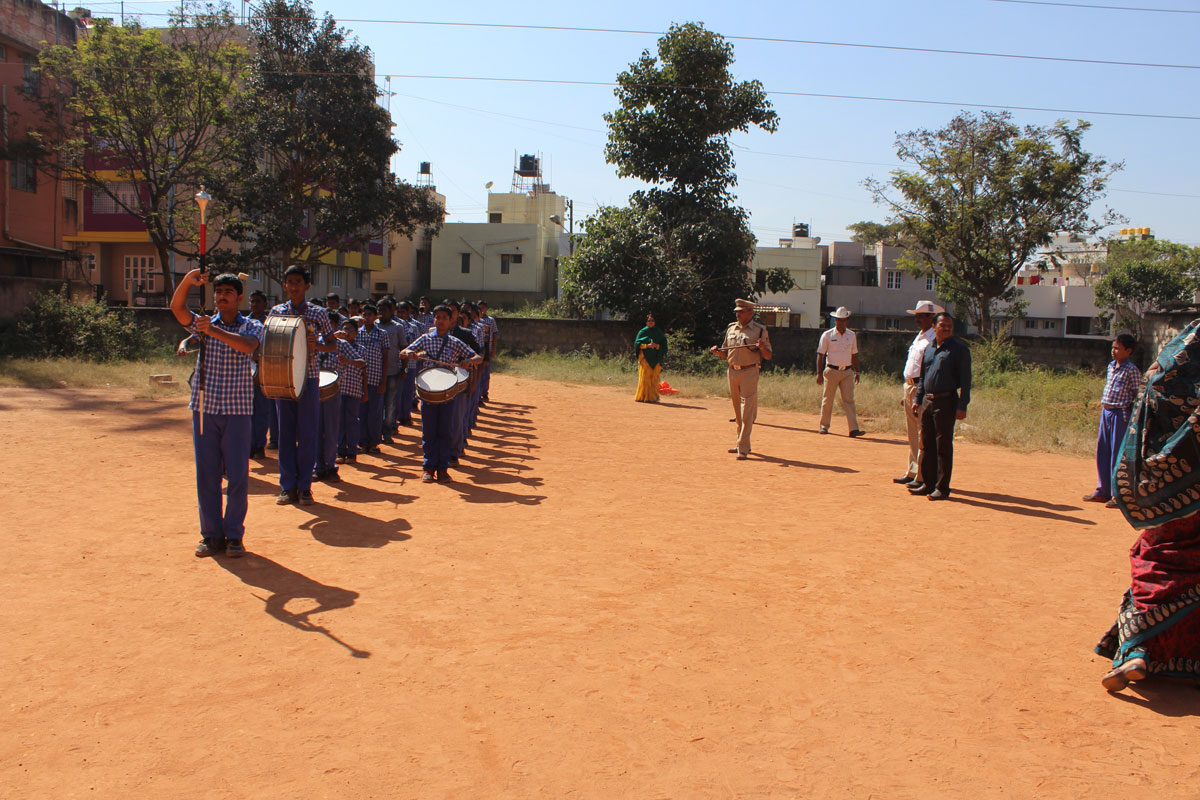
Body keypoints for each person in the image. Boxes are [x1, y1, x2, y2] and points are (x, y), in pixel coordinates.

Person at [1095, 320, 1200, 692]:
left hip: (1171, 497)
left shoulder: (1178, 356)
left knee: (1155, 561)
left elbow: (1151, 399)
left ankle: (1136, 650)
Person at [170, 269, 263, 559]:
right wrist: (187, 280)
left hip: (237, 409)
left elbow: (247, 347)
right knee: (207, 476)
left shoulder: (252, 326)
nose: (221, 297)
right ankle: (211, 535)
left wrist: (212, 331)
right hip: (204, 408)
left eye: (227, 293)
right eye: (218, 292)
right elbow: (177, 308)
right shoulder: (202, 323)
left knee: (237, 476)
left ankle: (234, 534)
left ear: (239, 297)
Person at [268, 264, 337, 506]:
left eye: (298, 282)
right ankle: (288, 487)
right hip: (284, 379)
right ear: (285, 285)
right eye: (290, 282)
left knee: (307, 434)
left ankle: (305, 486)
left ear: (306, 286)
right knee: (285, 433)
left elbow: (333, 345)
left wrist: (316, 345)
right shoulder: (276, 312)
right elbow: (266, 342)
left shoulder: (319, 314)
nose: (294, 286)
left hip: (308, 378)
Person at [400, 305, 482, 482]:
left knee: (445, 431)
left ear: (451, 319)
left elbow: (478, 357)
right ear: (434, 320)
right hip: (428, 390)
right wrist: (410, 353)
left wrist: (468, 361)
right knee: (429, 431)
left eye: (444, 317)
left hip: (448, 392)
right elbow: (403, 352)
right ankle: (428, 468)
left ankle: (443, 468)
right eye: (437, 317)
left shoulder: (454, 342)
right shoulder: (425, 338)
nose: (441, 320)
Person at [909, 312, 971, 501]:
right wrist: (918, 399)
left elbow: (966, 381)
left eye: (949, 326)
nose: (946, 329)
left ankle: (942, 488)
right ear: (934, 327)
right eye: (943, 325)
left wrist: (962, 405)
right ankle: (928, 483)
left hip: (946, 402)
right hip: (927, 400)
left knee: (943, 446)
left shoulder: (959, 350)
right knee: (927, 444)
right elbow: (923, 377)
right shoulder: (929, 349)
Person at [1083, 334, 1142, 509]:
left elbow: (1137, 394)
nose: (1114, 351)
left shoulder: (1131, 370)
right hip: (1106, 412)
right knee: (1103, 451)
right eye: (1113, 348)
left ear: (1128, 351)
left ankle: (1118, 495)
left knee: (1117, 455)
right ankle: (1103, 491)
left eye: (1118, 348)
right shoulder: (1111, 367)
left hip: (1120, 414)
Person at [710, 298, 772, 460]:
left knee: (747, 411)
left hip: (750, 371)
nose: (738, 314)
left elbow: (768, 355)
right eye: (736, 311)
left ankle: (743, 447)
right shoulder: (731, 328)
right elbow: (726, 352)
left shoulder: (759, 330)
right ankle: (741, 442)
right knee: (737, 410)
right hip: (732, 371)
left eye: (741, 311)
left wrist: (761, 347)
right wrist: (718, 352)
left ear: (750, 313)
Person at [894, 300, 943, 485]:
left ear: (931, 317)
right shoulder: (920, 336)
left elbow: (929, 368)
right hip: (909, 386)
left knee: (924, 434)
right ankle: (913, 470)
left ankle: (923, 475)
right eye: (916, 315)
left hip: (920, 389)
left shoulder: (933, 338)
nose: (917, 319)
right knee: (912, 433)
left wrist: (919, 393)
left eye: (920, 316)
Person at [816, 307, 863, 437]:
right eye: (838, 320)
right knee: (828, 399)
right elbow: (820, 354)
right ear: (835, 320)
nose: (840, 323)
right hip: (831, 370)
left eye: (843, 320)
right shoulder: (827, 335)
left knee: (849, 400)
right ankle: (824, 426)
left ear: (847, 321)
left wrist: (857, 372)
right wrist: (819, 373)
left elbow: (854, 355)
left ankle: (853, 429)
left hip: (847, 371)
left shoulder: (852, 335)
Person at [356, 302, 390, 454]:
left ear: (375, 317)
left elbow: (385, 358)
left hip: (376, 379)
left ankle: (374, 442)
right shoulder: (357, 333)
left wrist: (383, 381)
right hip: (358, 379)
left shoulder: (382, 334)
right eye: (364, 314)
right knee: (361, 412)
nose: (367, 317)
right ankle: (362, 441)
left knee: (375, 413)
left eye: (370, 314)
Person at [248, 289, 272, 459]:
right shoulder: (243, 323)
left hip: (263, 371)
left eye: (258, 301)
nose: (255, 304)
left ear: (265, 304)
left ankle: (259, 446)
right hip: (244, 371)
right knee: (245, 411)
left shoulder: (269, 324)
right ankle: (248, 445)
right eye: (252, 301)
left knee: (262, 411)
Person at [634, 313, 668, 403]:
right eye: (649, 320)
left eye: (652, 320)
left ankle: (653, 397)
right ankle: (642, 397)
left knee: (654, 377)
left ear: (655, 322)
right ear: (646, 322)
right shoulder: (642, 332)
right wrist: (647, 345)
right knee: (645, 377)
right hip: (645, 358)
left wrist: (656, 346)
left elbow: (664, 346)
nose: (651, 322)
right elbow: (637, 345)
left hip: (656, 358)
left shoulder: (658, 332)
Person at [478, 300, 499, 402]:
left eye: (483, 308)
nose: (481, 310)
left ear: (486, 309)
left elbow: (495, 335)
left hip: (487, 349)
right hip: (477, 350)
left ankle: (484, 393)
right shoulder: (473, 320)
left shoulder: (491, 320)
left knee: (485, 373)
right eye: (479, 307)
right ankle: (477, 394)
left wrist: (493, 350)